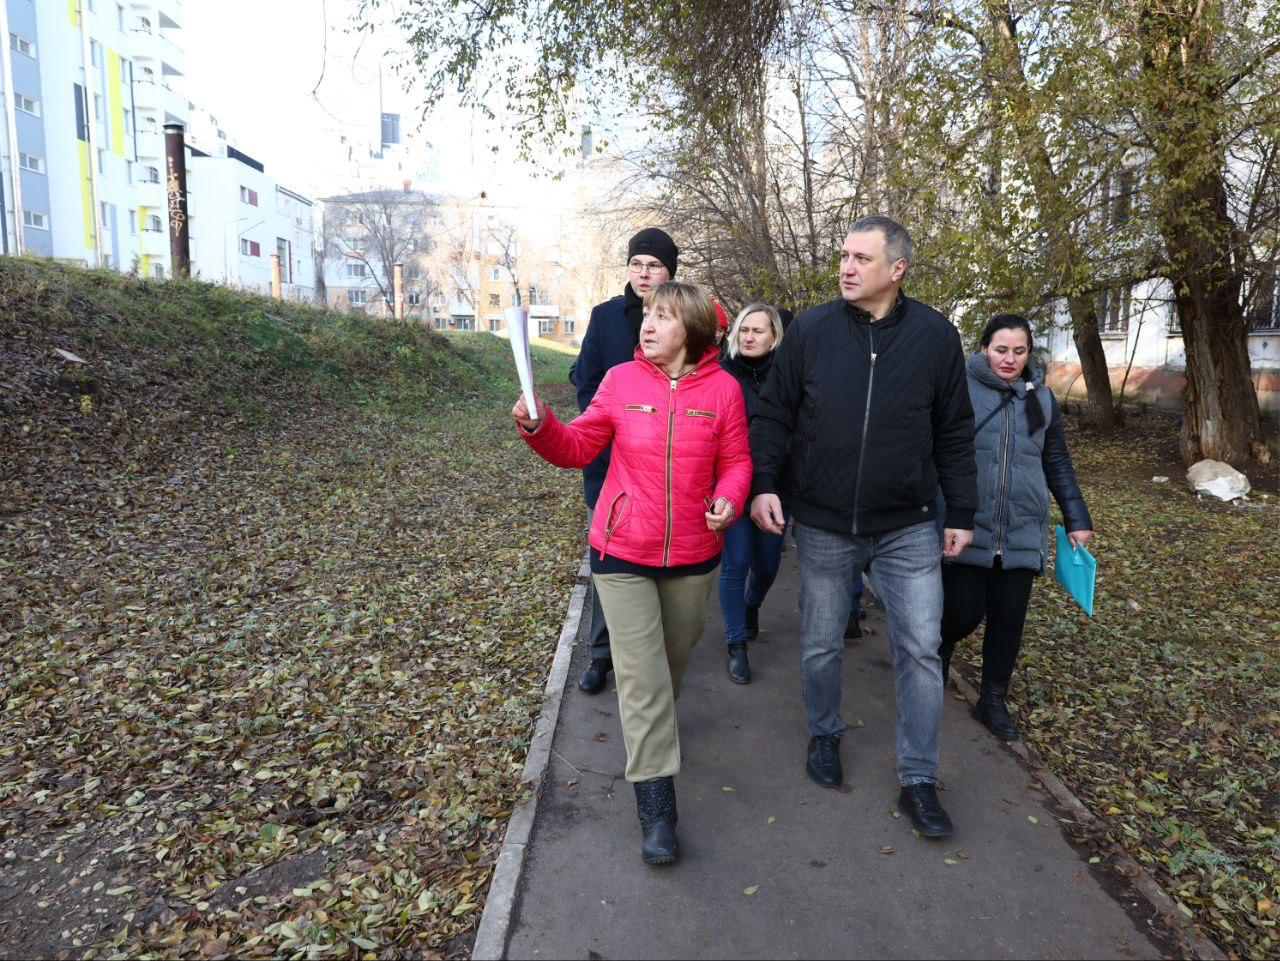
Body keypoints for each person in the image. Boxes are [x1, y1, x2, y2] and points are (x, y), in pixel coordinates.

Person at [749, 215, 978, 839]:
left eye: (861, 258)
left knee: (921, 649)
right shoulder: (812, 330)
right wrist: (765, 484)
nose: (846, 268)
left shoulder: (935, 336)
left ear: (896, 269)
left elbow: (955, 431)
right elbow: (774, 414)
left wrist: (961, 511)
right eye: (843, 256)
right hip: (824, 522)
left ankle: (919, 778)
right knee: (822, 642)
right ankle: (824, 734)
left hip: (908, 525)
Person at [514, 281, 752, 865]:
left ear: (692, 329)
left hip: (694, 554)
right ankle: (657, 806)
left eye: (663, 317)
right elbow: (577, 446)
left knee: (671, 662)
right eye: (647, 314)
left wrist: (729, 498)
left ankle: (656, 730)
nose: (648, 324)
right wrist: (540, 425)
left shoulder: (723, 390)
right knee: (643, 681)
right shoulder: (620, 381)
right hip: (621, 551)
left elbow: (737, 461)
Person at [937, 314, 1093, 742]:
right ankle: (940, 650)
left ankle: (992, 698)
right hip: (968, 525)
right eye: (1001, 349)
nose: (1009, 359)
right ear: (984, 348)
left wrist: (1076, 518)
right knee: (962, 612)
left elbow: (1056, 460)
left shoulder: (1041, 397)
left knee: (1008, 618)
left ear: (1029, 353)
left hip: (1023, 526)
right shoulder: (958, 389)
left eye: (1019, 351)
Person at [571, 228, 679, 695]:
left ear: (670, 272)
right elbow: (586, 382)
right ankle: (601, 654)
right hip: (609, 463)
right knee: (607, 559)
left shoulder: (685, 317)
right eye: (637, 264)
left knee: (666, 558)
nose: (643, 273)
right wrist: (611, 430)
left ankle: (658, 654)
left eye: (654, 265)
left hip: (669, 466)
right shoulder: (606, 317)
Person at [718, 303, 787, 683]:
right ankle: (736, 643)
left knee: (767, 564)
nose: (748, 337)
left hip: (773, 487)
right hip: (732, 484)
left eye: (758, 331)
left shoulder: (787, 377)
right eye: (744, 330)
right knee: (736, 561)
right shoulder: (721, 375)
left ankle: (752, 603)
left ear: (773, 337)